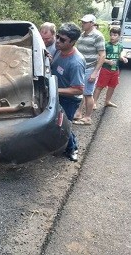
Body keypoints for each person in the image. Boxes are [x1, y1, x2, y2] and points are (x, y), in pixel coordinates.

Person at [51, 22, 85, 162]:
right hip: (58, 94)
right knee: (58, 123)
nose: (57, 41)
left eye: (62, 40)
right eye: (58, 37)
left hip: (69, 99)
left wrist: (54, 89)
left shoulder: (76, 62)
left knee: (64, 125)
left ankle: (72, 149)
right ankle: (60, 145)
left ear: (72, 42)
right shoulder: (59, 49)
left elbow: (78, 89)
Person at [73, 14, 106, 125]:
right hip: (81, 68)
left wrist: (95, 72)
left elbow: (102, 55)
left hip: (90, 68)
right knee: (80, 91)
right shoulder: (82, 35)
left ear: (92, 23)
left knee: (88, 93)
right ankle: (78, 113)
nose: (83, 24)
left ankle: (87, 117)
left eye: (85, 22)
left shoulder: (97, 36)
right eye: (82, 22)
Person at [93, 26, 128, 108]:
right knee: (100, 86)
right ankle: (94, 103)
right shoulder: (106, 45)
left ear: (119, 36)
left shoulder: (120, 46)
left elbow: (118, 56)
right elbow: (99, 57)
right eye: (111, 35)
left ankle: (107, 101)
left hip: (115, 70)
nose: (112, 37)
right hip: (105, 69)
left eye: (115, 35)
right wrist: (108, 61)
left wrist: (122, 58)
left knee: (112, 86)